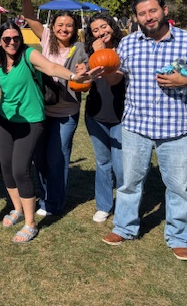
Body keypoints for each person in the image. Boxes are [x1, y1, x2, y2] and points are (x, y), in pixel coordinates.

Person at [101, 0, 187, 261]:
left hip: (174, 128)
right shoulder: (128, 44)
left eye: (152, 11)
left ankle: (178, 237)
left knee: (177, 186)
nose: (148, 17)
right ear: (136, 18)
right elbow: (116, 78)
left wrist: (185, 81)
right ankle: (124, 227)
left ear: (164, 9)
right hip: (136, 126)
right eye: (142, 13)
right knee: (130, 182)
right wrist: (105, 71)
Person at [0, 22, 99, 243]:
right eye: (7, 39)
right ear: (0, 42)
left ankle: (30, 224)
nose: (12, 42)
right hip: (5, 121)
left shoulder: (29, 54)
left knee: (20, 169)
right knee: (6, 167)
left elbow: (51, 68)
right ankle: (17, 209)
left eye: (15, 38)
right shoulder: (0, 61)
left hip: (31, 121)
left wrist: (73, 77)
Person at [21, 0, 88, 216]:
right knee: (39, 157)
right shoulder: (46, 37)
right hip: (40, 110)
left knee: (57, 158)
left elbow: (85, 71)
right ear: (54, 26)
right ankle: (46, 196)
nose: (63, 28)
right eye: (60, 24)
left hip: (66, 112)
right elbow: (29, 15)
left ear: (74, 28)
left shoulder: (79, 49)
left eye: (68, 25)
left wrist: (83, 72)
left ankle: (54, 202)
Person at [83, 13, 125, 223]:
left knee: (121, 166)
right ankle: (104, 204)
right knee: (103, 162)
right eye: (95, 30)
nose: (101, 32)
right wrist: (82, 73)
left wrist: (104, 53)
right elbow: (82, 83)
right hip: (96, 114)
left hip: (122, 115)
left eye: (104, 27)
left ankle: (126, 204)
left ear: (112, 26)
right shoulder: (89, 52)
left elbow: (115, 81)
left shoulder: (126, 48)